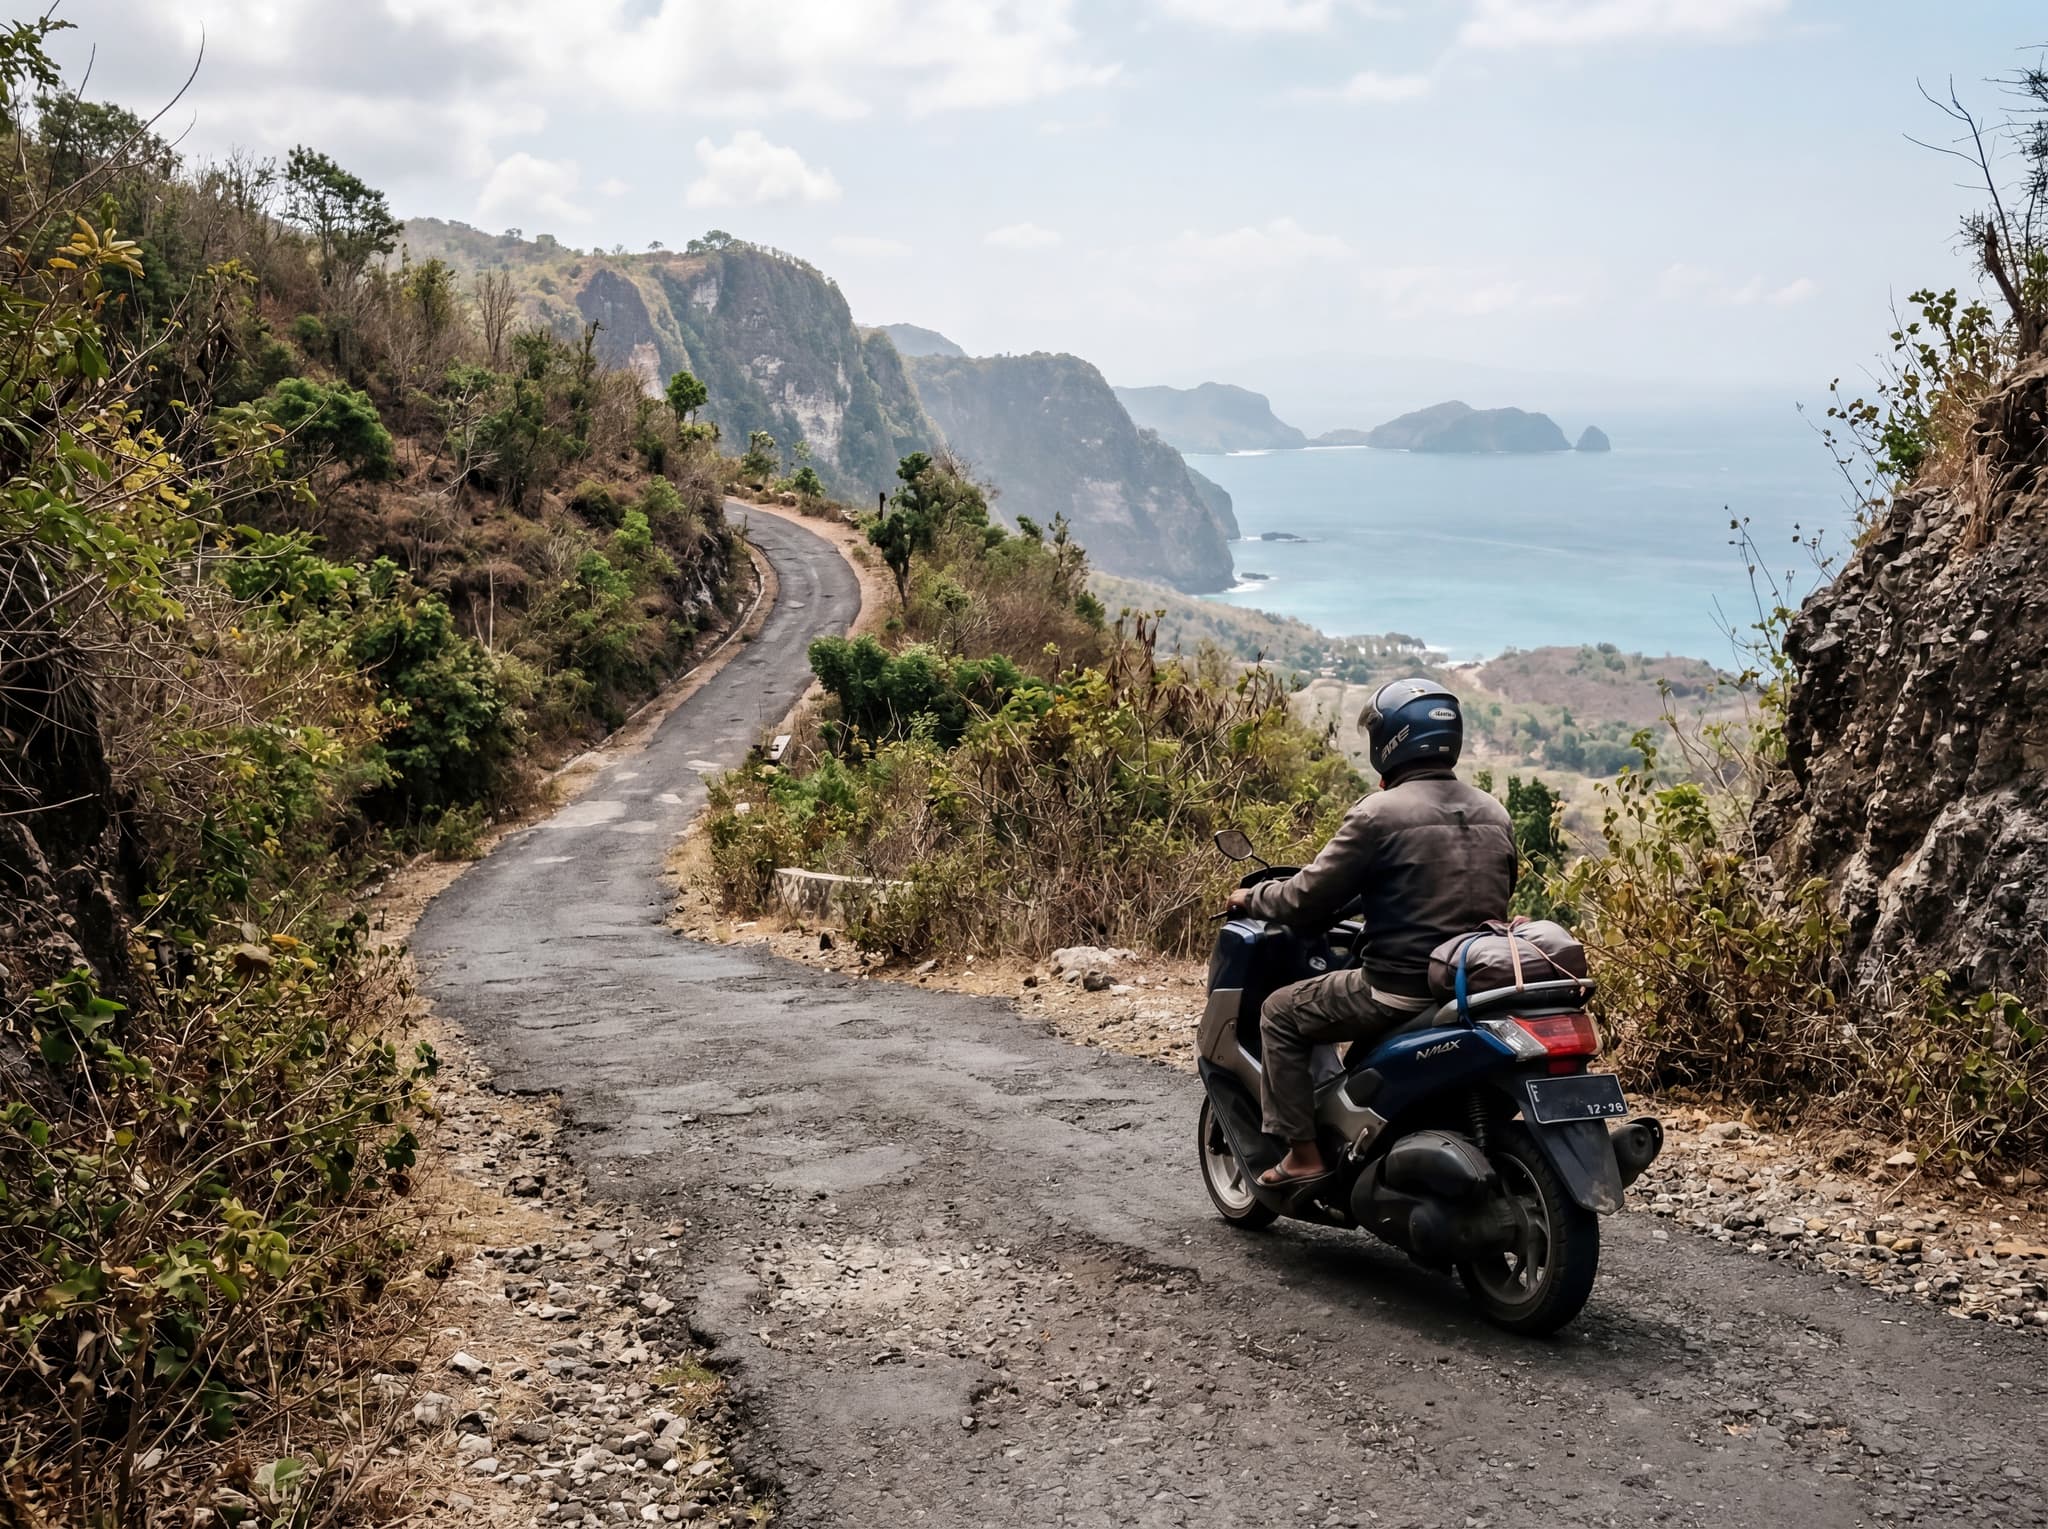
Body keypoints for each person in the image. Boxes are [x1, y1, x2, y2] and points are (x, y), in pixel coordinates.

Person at [1227, 678, 1516, 1187]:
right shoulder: (1494, 812)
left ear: (1391, 741)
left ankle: (1302, 1154)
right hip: (1471, 981)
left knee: (1279, 1012)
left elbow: (1303, 898)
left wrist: (1252, 898)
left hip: (1397, 989)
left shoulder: (1377, 814)